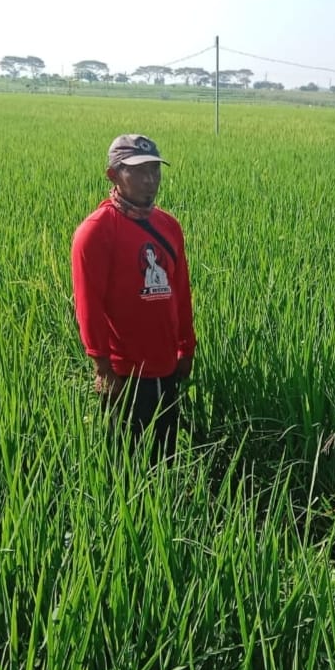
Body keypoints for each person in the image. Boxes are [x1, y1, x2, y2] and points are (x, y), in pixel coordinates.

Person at [70, 134, 195, 457]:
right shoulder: (95, 231)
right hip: (125, 373)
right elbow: (88, 305)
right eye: (138, 172)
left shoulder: (169, 226)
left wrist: (186, 347)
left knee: (166, 456)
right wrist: (102, 367)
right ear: (113, 175)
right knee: (127, 462)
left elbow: (180, 292)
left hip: (167, 365)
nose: (150, 180)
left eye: (154, 170)